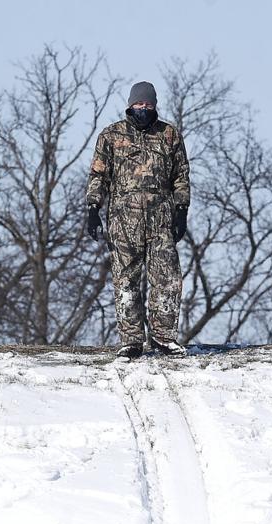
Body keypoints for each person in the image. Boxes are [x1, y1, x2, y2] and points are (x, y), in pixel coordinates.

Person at [85, 81, 191, 359]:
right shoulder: (110, 135)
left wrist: (182, 211)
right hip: (123, 220)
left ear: (155, 105)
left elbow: (181, 175)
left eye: (148, 104)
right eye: (139, 104)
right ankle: (131, 340)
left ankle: (163, 337)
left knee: (167, 279)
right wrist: (92, 209)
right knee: (125, 280)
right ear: (130, 105)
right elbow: (98, 176)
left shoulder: (169, 135)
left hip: (161, 219)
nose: (143, 108)